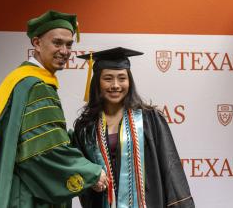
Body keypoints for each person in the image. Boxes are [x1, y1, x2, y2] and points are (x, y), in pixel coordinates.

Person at [0, 10, 108, 208]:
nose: (64, 51)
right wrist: (90, 172)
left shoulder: (19, 80)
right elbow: (42, 152)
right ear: (37, 43)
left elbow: (37, 139)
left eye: (69, 44)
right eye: (57, 43)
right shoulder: (37, 86)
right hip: (28, 196)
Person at [72, 47, 195, 208]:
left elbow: (170, 167)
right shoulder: (86, 127)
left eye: (122, 78)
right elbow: (82, 170)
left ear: (129, 81)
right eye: (108, 78)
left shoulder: (150, 120)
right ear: (97, 82)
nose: (115, 85)